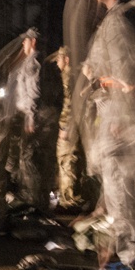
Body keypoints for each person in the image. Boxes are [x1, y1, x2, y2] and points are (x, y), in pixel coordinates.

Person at [81, 0, 135, 270]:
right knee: (119, 181)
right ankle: (130, 246)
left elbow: (123, 72)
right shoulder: (114, 21)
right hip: (111, 108)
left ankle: (131, 253)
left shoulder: (115, 22)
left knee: (118, 182)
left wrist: (120, 117)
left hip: (115, 110)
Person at [0, 28, 43, 228]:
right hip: (16, 117)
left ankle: (26, 207)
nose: (23, 45)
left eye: (26, 42)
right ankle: (16, 205)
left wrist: (30, 117)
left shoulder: (33, 63)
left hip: (24, 118)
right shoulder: (26, 63)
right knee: (14, 161)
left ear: (32, 42)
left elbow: (33, 91)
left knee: (23, 161)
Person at [50, 46, 87, 210]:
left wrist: (64, 126)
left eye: (59, 59)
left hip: (68, 125)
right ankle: (72, 197)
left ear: (66, 59)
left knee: (67, 160)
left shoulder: (68, 76)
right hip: (76, 125)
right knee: (72, 160)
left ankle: (69, 200)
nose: (57, 62)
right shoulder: (75, 75)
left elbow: (69, 103)